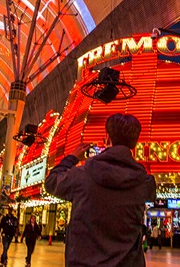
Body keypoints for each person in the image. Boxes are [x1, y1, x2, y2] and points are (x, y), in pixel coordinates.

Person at [45, 113, 156, 266]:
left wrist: (72, 158)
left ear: (108, 139)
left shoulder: (81, 176)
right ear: (135, 144)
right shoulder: (145, 183)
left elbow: (51, 183)